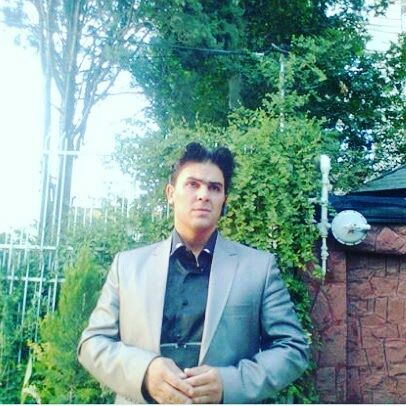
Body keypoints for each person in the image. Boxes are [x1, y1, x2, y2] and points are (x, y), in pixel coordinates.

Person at [78, 142, 309, 404]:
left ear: (224, 200)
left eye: (215, 188)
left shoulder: (258, 268)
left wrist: (229, 383)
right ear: (170, 193)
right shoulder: (128, 266)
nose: (203, 195)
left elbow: (293, 348)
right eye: (192, 184)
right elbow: (93, 343)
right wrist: (144, 373)